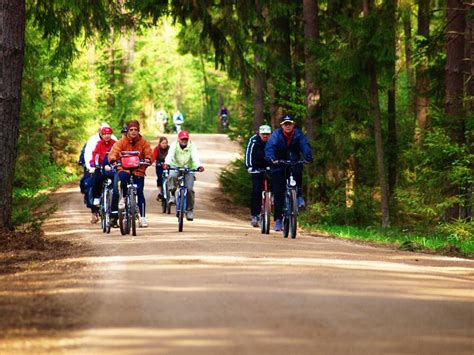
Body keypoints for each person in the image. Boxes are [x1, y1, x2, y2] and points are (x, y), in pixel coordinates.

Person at [265, 114, 313, 232]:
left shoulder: (298, 134)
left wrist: (308, 156)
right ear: (282, 125)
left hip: (293, 161)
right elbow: (270, 147)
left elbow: (305, 145)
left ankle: (299, 195)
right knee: (279, 191)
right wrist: (272, 158)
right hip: (278, 163)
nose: (287, 126)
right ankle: (278, 220)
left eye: (289, 124)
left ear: (293, 125)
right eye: (285, 124)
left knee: (298, 171)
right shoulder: (276, 135)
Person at [108, 120, 152, 228]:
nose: (133, 132)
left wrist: (147, 159)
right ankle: (123, 197)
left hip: (138, 170)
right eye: (131, 130)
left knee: (140, 192)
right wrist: (113, 159)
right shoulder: (122, 142)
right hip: (124, 169)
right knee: (122, 178)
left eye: (136, 130)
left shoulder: (143, 142)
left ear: (138, 131)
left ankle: (142, 218)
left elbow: (148, 152)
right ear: (128, 131)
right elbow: (114, 152)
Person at [163, 130, 204, 221]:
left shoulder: (192, 146)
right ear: (178, 139)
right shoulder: (174, 145)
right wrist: (167, 163)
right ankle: (172, 195)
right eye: (182, 139)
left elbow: (195, 157)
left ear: (188, 139)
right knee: (172, 176)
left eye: (185, 139)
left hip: (189, 168)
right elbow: (170, 155)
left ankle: (189, 210)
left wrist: (198, 166)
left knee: (189, 189)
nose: (184, 141)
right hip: (176, 166)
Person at [245, 125, 272, 227]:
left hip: (270, 167)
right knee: (256, 190)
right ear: (259, 133)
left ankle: (273, 210)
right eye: (263, 134)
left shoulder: (273, 140)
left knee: (276, 188)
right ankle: (255, 215)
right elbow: (248, 153)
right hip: (256, 168)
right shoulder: (254, 140)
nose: (265, 136)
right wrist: (249, 166)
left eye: (267, 134)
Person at [89, 126, 117, 223]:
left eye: (108, 134)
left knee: (116, 180)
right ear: (101, 135)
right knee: (97, 178)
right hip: (100, 166)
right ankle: (97, 197)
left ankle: (114, 195)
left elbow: (118, 154)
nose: (106, 136)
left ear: (111, 134)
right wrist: (93, 163)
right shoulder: (99, 144)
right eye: (104, 134)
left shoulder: (115, 143)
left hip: (111, 167)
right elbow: (95, 154)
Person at [152, 137, 170, 201]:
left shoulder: (170, 149)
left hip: (168, 165)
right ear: (160, 143)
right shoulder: (157, 149)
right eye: (163, 143)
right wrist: (153, 162)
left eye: (166, 143)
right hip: (159, 165)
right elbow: (153, 157)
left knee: (170, 177)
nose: (164, 144)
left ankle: (169, 191)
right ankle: (160, 192)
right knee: (160, 178)